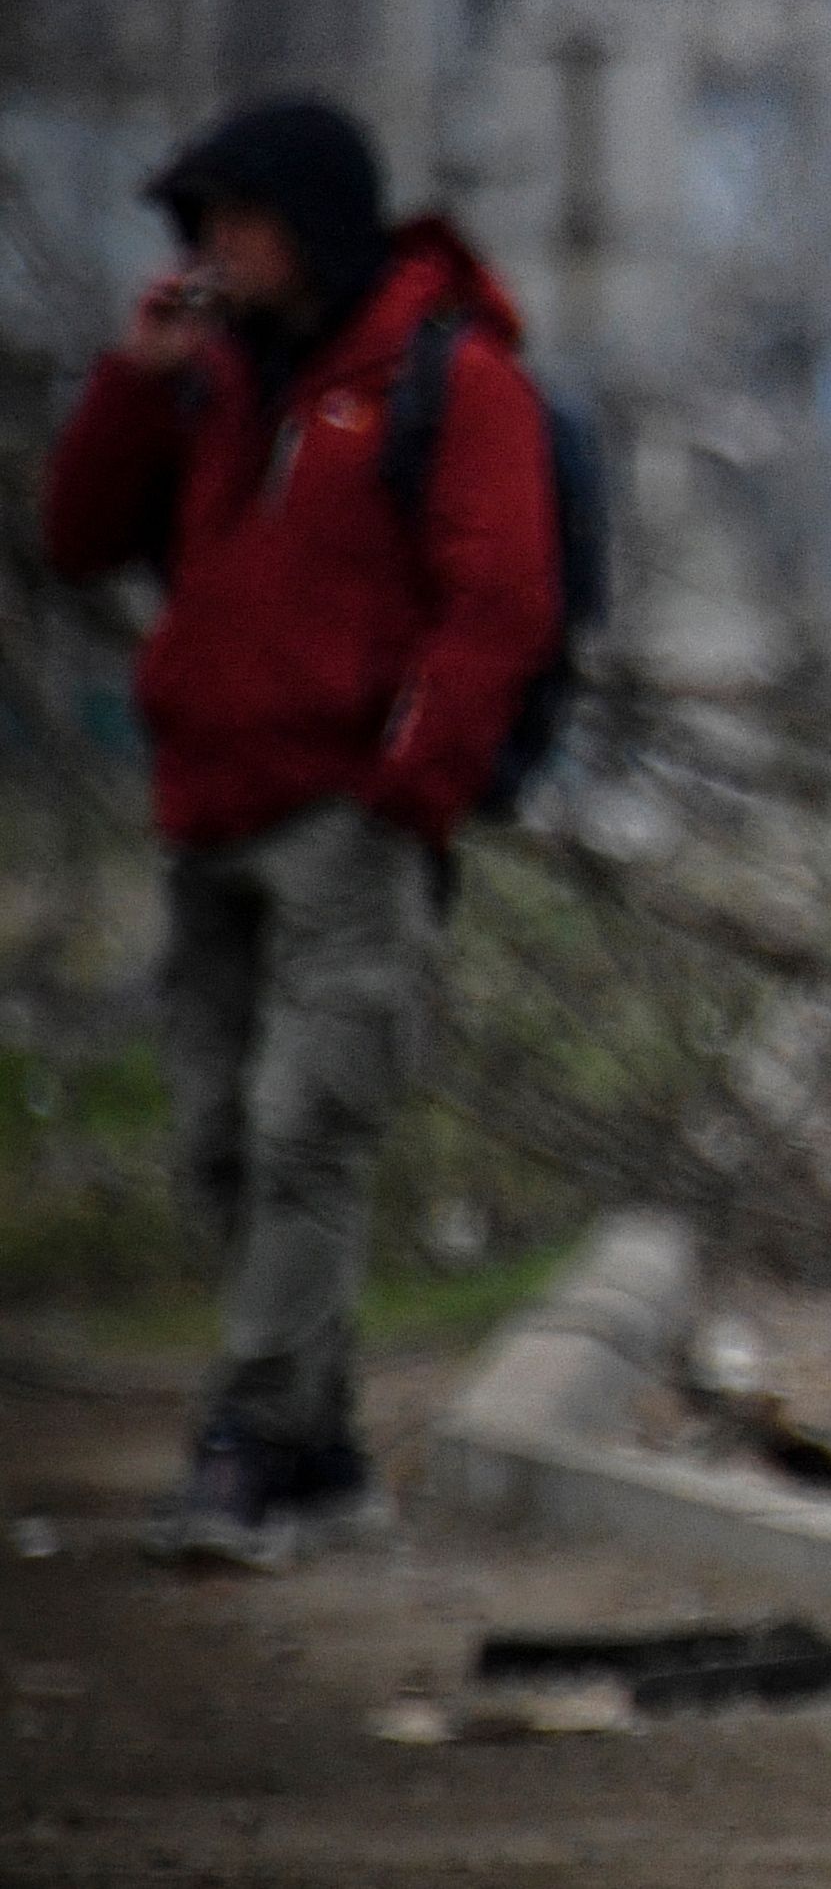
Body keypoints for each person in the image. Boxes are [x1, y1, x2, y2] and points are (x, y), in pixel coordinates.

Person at [37, 96, 564, 1565]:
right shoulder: (210, 389)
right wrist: (133, 386)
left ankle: (254, 1446)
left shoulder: (446, 381)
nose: (212, 252)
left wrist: (408, 784)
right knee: (216, 1141)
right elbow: (79, 536)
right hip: (212, 817)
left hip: (349, 827)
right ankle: (319, 1450)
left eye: (237, 222)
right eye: (197, 227)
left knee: (305, 1132)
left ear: (311, 227)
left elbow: (500, 599)